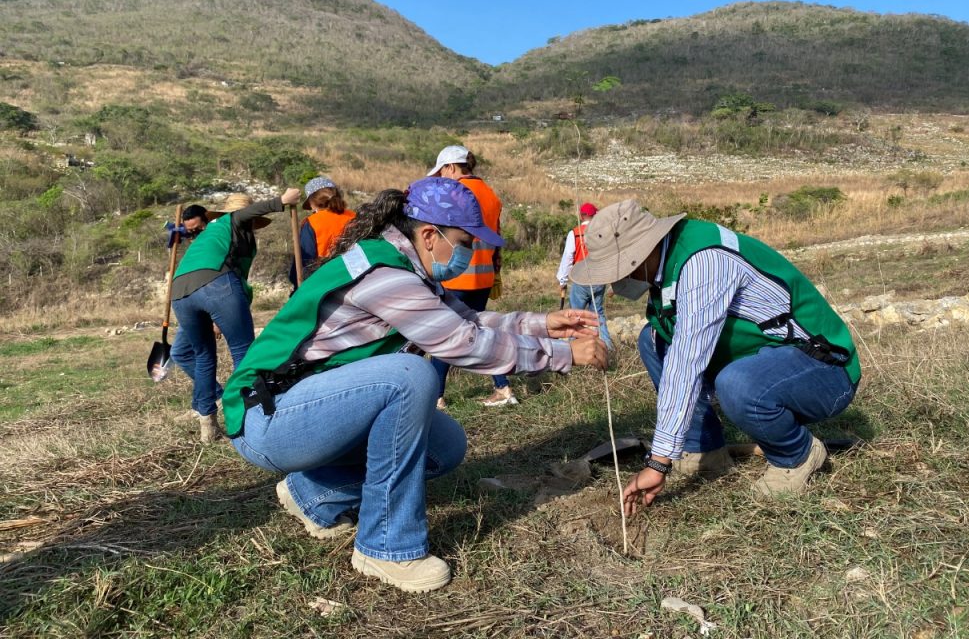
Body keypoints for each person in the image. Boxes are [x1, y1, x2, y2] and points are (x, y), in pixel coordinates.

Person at [222, 177, 607, 593]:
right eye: (465, 241)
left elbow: (469, 321)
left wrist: (546, 324)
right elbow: (462, 342)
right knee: (410, 376)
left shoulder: (407, 268)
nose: (470, 252)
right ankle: (385, 547)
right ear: (429, 235)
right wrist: (564, 355)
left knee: (445, 448)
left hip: (308, 409)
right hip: (269, 419)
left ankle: (315, 492)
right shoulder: (387, 275)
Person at [569, 200, 861, 513]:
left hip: (824, 369)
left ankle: (797, 454)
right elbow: (676, 346)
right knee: (652, 339)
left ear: (643, 251)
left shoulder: (703, 262)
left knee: (736, 384)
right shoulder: (667, 263)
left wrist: (658, 462)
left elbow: (686, 362)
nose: (615, 282)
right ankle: (702, 448)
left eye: (619, 267)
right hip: (768, 358)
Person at [170, 189, 301, 443]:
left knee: (204, 356)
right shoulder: (232, 220)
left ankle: (207, 424)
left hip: (180, 291)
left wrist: (223, 315)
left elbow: (238, 282)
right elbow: (229, 282)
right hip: (216, 285)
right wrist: (282, 201)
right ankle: (248, 419)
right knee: (244, 352)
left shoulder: (209, 235)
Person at [425, 145, 513, 408]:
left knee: (446, 337)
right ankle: (503, 388)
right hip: (483, 277)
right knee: (478, 332)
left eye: (441, 172)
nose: (440, 179)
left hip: (455, 276)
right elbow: (495, 238)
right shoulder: (490, 194)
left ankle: (436, 397)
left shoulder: (454, 192)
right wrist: (495, 273)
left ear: (451, 167)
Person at [556, 202, 612, 350]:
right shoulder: (602, 232)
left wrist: (562, 280)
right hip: (599, 278)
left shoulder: (575, 233)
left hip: (581, 279)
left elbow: (568, 257)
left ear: (581, 216)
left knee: (575, 315)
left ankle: (571, 348)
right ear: (594, 215)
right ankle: (607, 347)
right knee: (597, 313)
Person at [288, 176, 356, 289]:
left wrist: (295, 283)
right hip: (355, 277)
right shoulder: (355, 216)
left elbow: (304, 262)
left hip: (325, 282)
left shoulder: (312, 222)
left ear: (312, 202)